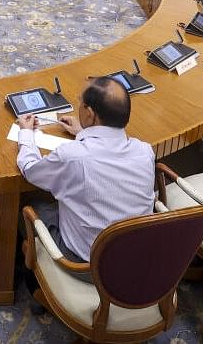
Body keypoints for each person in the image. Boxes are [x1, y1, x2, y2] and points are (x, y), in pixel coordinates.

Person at [16, 77, 154, 266]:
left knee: (28, 203)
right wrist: (83, 131)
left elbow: (30, 169)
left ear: (89, 114)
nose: (78, 105)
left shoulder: (73, 156)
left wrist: (25, 133)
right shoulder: (144, 151)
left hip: (87, 266)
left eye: (80, 101)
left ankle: (32, 282)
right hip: (137, 259)